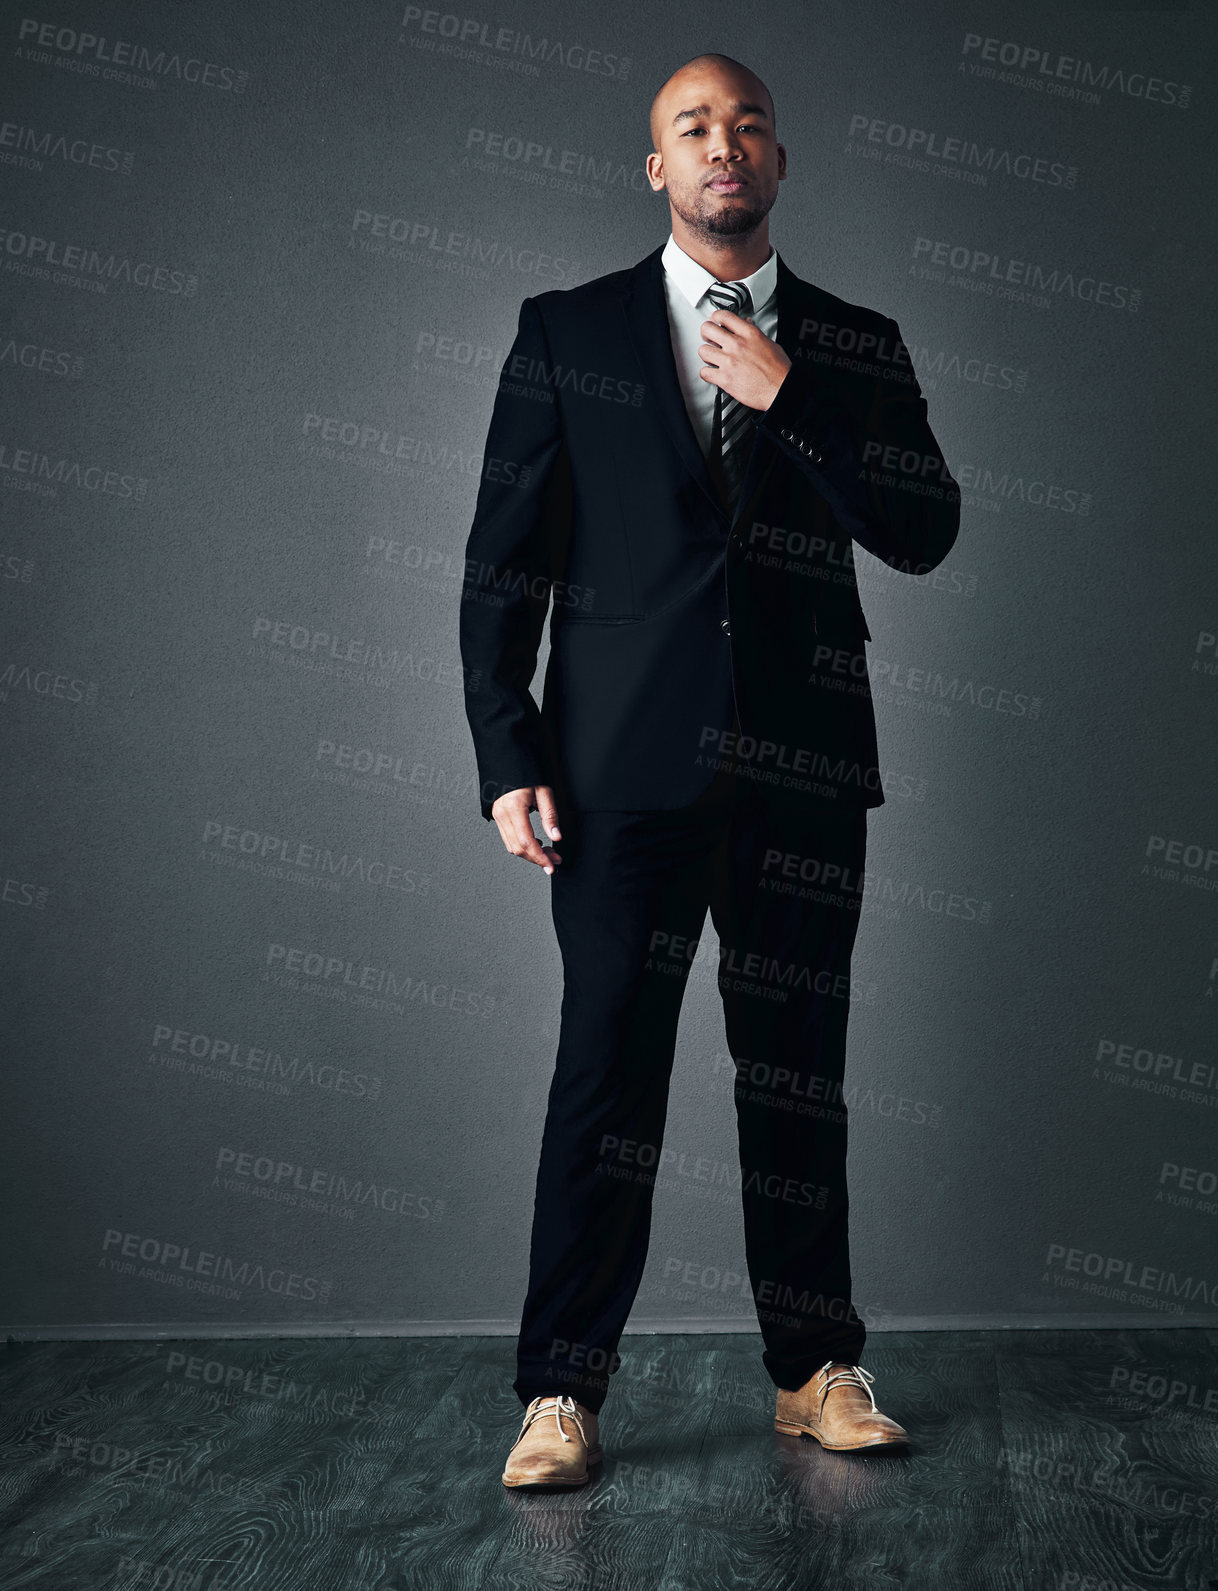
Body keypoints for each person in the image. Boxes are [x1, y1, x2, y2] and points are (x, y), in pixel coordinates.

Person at [459, 51, 961, 1489]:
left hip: (803, 778)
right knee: (604, 1079)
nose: (723, 147)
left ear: (779, 164)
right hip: (616, 779)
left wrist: (794, 393)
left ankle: (816, 1372)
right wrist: (508, 754)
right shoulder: (566, 331)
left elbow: (925, 530)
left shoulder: (855, 342)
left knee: (797, 1081)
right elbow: (504, 567)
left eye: (747, 126)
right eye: (694, 127)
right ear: (657, 168)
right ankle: (560, 1393)